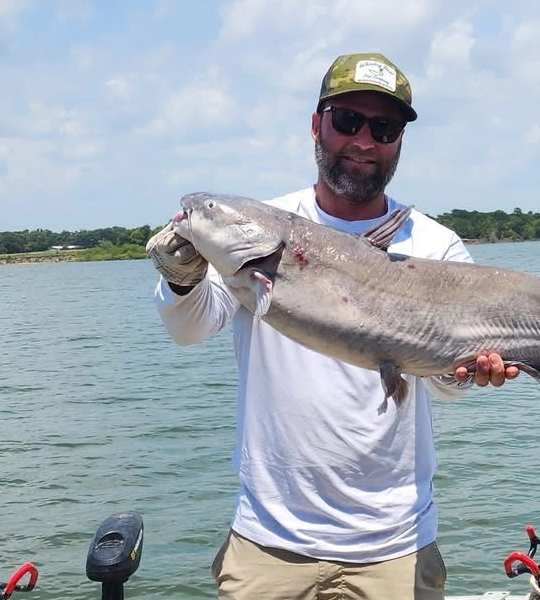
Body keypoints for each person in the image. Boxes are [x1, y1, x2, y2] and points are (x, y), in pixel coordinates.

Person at [146, 52, 519, 600]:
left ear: (398, 142)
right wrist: (181, 278)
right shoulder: (261, 232)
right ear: (316, 125)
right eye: (348, 121)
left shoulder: (436, 246)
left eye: (384, 128)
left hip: (396, 542)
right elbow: (191, 327)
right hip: (269, 541)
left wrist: (470, 372)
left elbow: (444, 384)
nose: (364, 141)